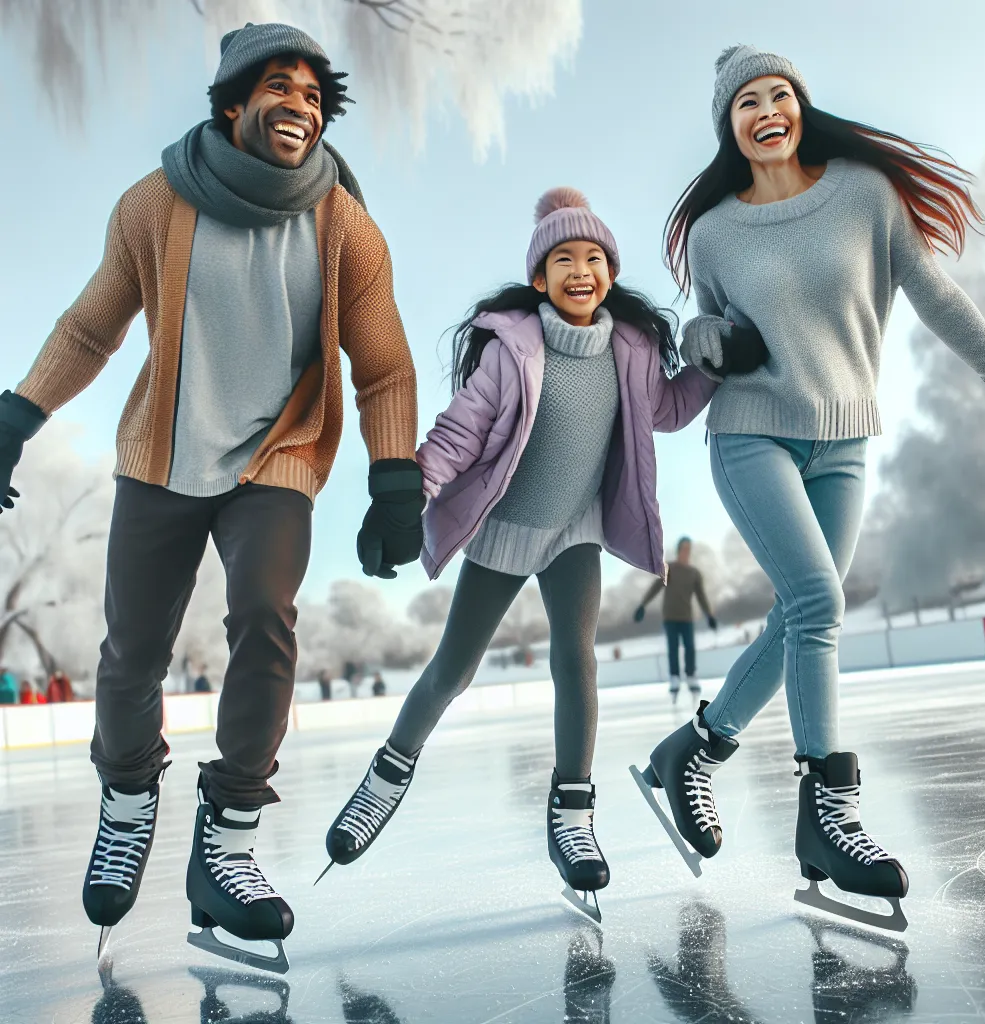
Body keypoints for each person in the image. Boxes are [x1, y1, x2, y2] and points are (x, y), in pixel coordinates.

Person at [0, 21, 422, 971]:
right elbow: (89, 327)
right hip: (163, 454)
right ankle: (127, 801)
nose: (302, 109)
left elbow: (385, 364)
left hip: (277, 456)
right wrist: (17, 416)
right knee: (131, 649)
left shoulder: (345, 223)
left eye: (315, 98)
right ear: (234, 103)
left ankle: (226, 846)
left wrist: (397, 478)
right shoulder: (154, 204)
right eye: (282, 88)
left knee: (265, 620)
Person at [634, 44, 985, 929]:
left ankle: (693, 748)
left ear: (800, 107)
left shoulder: (862, 194)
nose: (767, 110)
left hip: (843, 439)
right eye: (747, 103)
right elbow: (713, 335)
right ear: (729, 128)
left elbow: (935, 296)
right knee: (816, 600)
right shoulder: (716, 231)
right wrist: (701, 338)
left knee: (805, 614)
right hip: (751, 432)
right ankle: (827, 815)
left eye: (780, 94)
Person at [320, 186, 767, 920]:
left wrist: (714, 362)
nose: (582, 270)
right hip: (504, 530)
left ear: (611, 273)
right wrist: (408, 495)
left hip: (576, 531)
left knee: (577, 661)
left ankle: (573, 811)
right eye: (565, 259)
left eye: (595, 258)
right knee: (453, 670)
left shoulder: (631, 350)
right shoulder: (512, 350)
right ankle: (387, 776)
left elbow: (671, 409)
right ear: (540, 278)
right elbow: (459, 434)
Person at [634, 536, 718, 705]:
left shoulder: (694, 573)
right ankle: (674, 677)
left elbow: (701, 596)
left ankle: (691, 675)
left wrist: (709, 615)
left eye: (689, 549)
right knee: (672, 648)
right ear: (680, 550)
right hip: (670, 617)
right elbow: (655, 587)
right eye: (684, 548)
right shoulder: (669, 568)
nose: (687, 552)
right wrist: (643, 605)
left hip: (686, 617)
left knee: (690, 647)